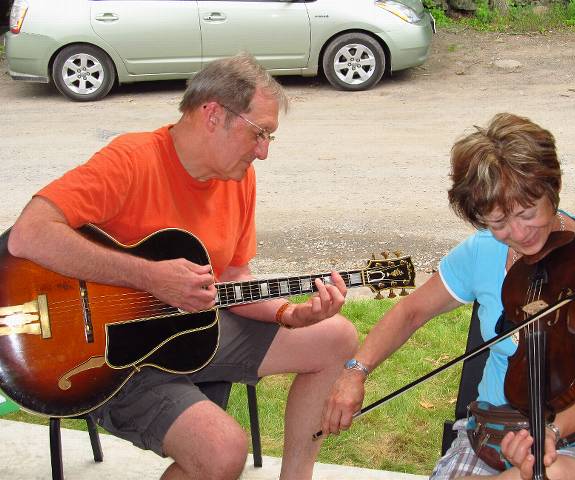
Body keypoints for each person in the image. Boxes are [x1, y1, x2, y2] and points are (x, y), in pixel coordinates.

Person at [8, 53, 359, 480]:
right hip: (98, 360)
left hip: (186, 334)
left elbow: (231, 279)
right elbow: (30, 233)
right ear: (213, 114)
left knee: (336, 336)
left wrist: (292, 314)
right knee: (222, 452)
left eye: (270, 138)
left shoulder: (238, 179)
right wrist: (149, 276)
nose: (264, 152)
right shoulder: (131, 160)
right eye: (259, 133)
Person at [322, 113, 575, 480]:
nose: (518, 234)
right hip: (490, 431)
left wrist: (547, 433)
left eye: (527, 214)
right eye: (498, 223)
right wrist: (355, 372)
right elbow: (410, 312)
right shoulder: (482, 250)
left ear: (552, 189)